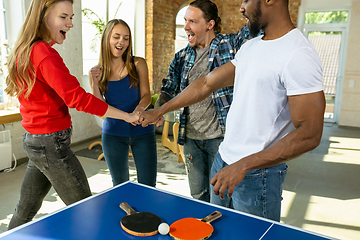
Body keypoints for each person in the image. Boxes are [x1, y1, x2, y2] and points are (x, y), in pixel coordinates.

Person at [140, 0, 325, 221]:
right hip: (224, 160)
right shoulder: (252, 46)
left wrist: (244, 165)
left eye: (246, 0)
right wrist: (161, 110)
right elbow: (206, 83)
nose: (241, 7)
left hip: (257, 173)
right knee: (216, 229)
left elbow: (310, 134)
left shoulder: (298, 54)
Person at [4, 0, 138, 229]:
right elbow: (77, 98)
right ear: (44, 16)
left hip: (34, 141)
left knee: (24, 213)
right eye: (64, 17)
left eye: (72, 17)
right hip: (50, 145)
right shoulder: (44, 54)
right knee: (88, 211)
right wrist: (126, 116)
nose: (70, 24)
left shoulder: (26, 50)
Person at [155, 0, 251, 202]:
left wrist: (247, 8)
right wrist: (157, 110)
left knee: (221, 197)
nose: (186, 27)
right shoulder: (181, 57)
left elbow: (253, 27)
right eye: (185, 21)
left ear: (210, 24)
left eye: (192, 21)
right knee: (198, 195)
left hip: (221, 139)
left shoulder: (230, 45)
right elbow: (169, 88)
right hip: (190, 139)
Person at [89, 19, 157, 187]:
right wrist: (94, 83)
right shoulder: (99, 71)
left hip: (143, 131)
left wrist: (138, 112)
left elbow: (147, 95)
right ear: (107, 39)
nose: (122, 42)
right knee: (119, 186)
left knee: (148, 185)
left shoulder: (138, 63)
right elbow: (99, 107)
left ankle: (146, 214)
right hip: (113, 135)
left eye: (126, 38)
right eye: (117, 37)